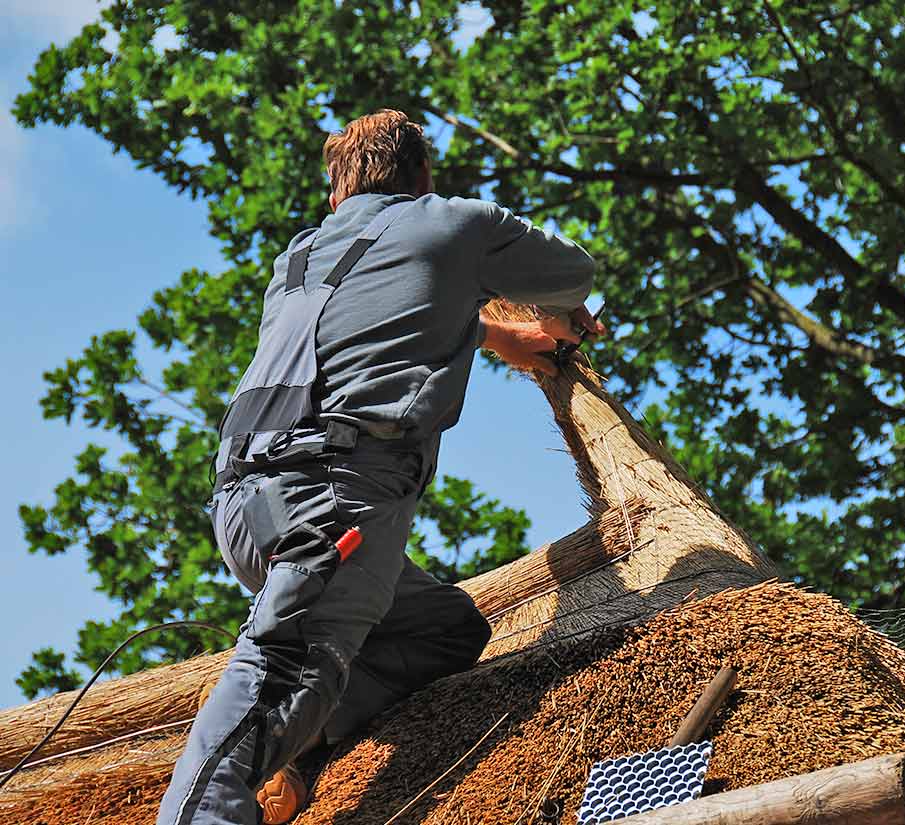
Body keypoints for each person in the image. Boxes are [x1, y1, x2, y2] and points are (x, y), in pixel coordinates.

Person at [156, 108, 606, 825]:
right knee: (282, 673)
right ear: (424, 175)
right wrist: (558, 317)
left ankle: (307, 753)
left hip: (245, 506)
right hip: (331, 508)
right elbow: (574, 270)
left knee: (445, 630)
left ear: (337, 195)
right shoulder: (453, 221)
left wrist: (496, 335)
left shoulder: (297, 259)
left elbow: (377, 307)